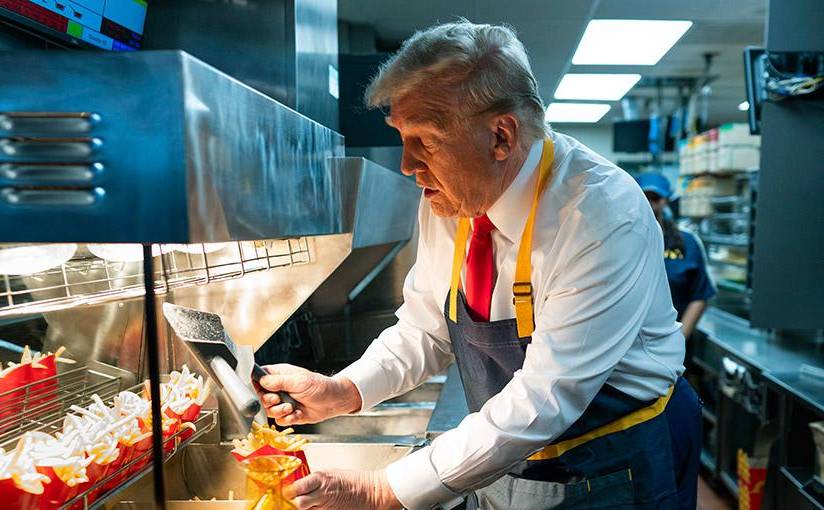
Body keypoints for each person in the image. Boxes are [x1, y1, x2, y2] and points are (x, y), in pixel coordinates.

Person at [257, 21, 701, 510]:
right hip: (506, 450)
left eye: (425, 139)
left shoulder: (599, 213)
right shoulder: (451, 200)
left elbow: (547, 396)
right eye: (401, 137)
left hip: (614, 461)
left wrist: (385, 488)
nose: (407, 164)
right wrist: (344, 390)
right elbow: (424, 330)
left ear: (501, 137)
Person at [636, 173, 716, 340]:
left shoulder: (687, 242)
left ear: (665, 200)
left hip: (673, 342)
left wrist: (678, 342)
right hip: (629, 345)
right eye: (645, 197)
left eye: (655, 198)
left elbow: (700, 295)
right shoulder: (624, 241)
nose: (650, 204)